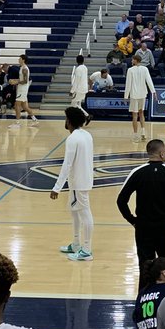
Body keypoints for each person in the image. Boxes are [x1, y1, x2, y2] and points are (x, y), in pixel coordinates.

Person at [117, 138, 165, 263]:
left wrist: (133, 220)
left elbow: (121, 201)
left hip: (144, 227)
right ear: (162, 154)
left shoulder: (137, 173)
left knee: (146, 268)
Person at [50, 106, 95, 262]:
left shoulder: (72, 138)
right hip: (83, 179)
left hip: (79, 182)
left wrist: (57, 187)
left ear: (69, 121)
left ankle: (87, 250)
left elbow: (67, 164)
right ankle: (76, 244)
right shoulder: (86, 135)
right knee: (74, 210)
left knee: (85, 213)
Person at [125, 53, 155, 142]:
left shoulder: (130, 70)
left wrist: (126, 95)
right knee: (141, 113)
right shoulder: (145, 69)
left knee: (135, 115)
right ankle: (143, 132)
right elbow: (149, 80)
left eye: (132, 59)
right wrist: (153, 91)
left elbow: (128, 83)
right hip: (143, 94)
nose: (131, 61)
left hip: (134, 94)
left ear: (135, 60)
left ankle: (135, 135)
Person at [10, 54, 38, 126]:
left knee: (17, 105)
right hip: (21, 88)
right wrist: (14, 80)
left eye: (20, 58)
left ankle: (17, 122)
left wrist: (16, 82)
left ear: (23, 60)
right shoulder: (22, 67)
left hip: (22, 89)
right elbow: (22, 79)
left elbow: (25, 81)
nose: (18, 60)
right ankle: (34, 119)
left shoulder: (24, 68)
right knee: (25, 106)